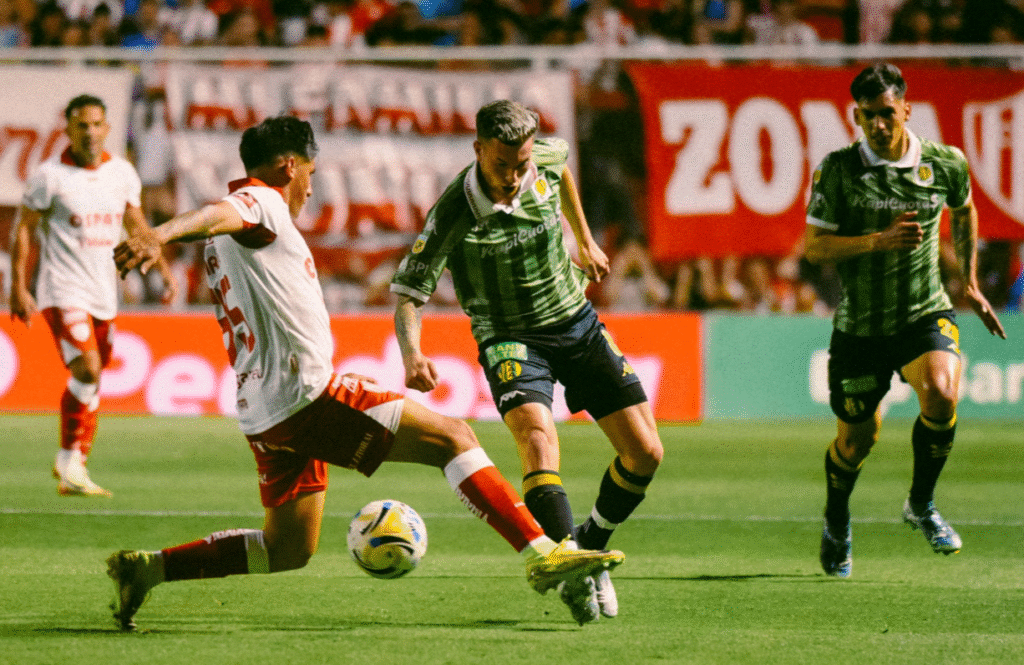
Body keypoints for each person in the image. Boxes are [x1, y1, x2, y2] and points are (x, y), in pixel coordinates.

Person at [109, 115, 623, 632]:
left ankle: (150, 569)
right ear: (291, 166)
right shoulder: (261, 201)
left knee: (287, 549)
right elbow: (222, 209)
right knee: (453, 438)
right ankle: (541, 553)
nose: (310, 187)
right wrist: (159, 235)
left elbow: (220, 223)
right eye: (311, 173)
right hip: (306, 395)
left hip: (262, 410)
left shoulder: (225, 242)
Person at [391, 100, 663, 624]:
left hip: (576, 320)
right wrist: (411, 353)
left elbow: (561, 178)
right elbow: (407, 292)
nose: (515, 177)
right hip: (509, 336)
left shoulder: (547, 156)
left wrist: (583, 238)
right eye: (502, 166)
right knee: (538, 440)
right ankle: (571, 565)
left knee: (646, 453)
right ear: (477, 152)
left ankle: (590, 543)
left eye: (521, 165)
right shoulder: (454, 210)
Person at [804, 63, 1007, 579]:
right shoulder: (838, 169)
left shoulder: (945, 163)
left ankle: (921, 504)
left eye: (887, 114)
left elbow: (964, 209)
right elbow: (814, 247)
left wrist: (972, 281)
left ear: (906, 110)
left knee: (941, 391)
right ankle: (836, 519)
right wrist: (876, 240)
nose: (878, 124)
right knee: (856, 442)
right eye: (868, 116)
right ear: (856, 115)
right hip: (861, 327)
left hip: (923, 312)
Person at [9, 94, 178, 498]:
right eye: (81, 125)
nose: (90, 132)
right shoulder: (49, 176)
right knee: (88, 368)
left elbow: (136, 221)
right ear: (67, 128)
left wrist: (163, 266)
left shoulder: (122, 173)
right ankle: (71, 461)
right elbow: (24, 228)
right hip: (61, 288)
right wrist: (17, 285)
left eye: (97, 124)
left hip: (105, 291)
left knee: (93, 377)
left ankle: (74, 463)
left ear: (107, 128)